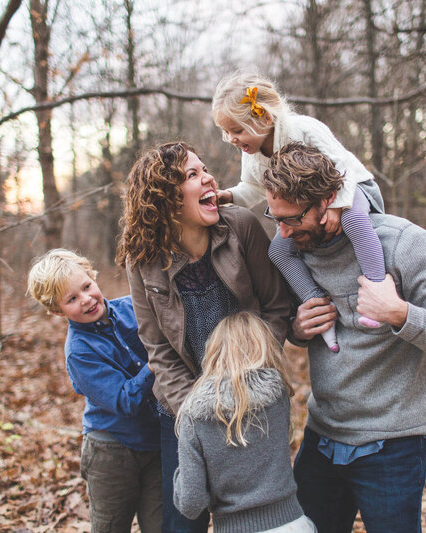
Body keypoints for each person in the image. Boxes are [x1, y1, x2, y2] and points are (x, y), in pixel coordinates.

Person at [262, 143, 426, 533]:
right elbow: (301, 330)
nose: (282, 232)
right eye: (275, 218)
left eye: (292, 219)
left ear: (328, 201)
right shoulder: (295, 250)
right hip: (323, 434)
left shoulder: (404, 244)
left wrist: (399, 313)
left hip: (393, 442)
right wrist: (298, 329)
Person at [116, 141, 291, 533]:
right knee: (184, 520)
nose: (209, 178)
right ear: (165, 197)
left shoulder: (241, 227)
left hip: (252, 403)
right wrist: (195, 411)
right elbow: (157, 349)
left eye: (204, 168)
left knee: (256, 522)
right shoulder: (142, 259)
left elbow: (277, 308)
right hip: (182, 414)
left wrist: (251, 381)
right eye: (192, 175)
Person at [213, 71, 386, 353]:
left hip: (353, 188)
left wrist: (338, 206)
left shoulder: (303, 128)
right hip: (308, 210)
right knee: (278, 251)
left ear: (265, 118)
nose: (231, 139)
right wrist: (229, 196)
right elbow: (252, 187)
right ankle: (317, 304)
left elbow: (341, 164)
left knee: (354, 220)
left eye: (237, 130)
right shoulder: (252, 154)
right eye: (227, 132)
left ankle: (377, 290)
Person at [27, 249, 161, 533]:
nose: (86, 299)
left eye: (87, 287)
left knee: (161, 525)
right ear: (56, 310)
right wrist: (154, 366)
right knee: (111, 526)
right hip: (111, 450)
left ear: (93, 278)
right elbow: (126, 400)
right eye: (72, 299)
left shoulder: (132, 308)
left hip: (156, 442)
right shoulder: (79, 352)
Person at [173, 312, 316, 533]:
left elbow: (191, 503)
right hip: (293, 525)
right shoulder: (278, 398)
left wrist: (179, 477)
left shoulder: (193, 417)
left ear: (212, 353)